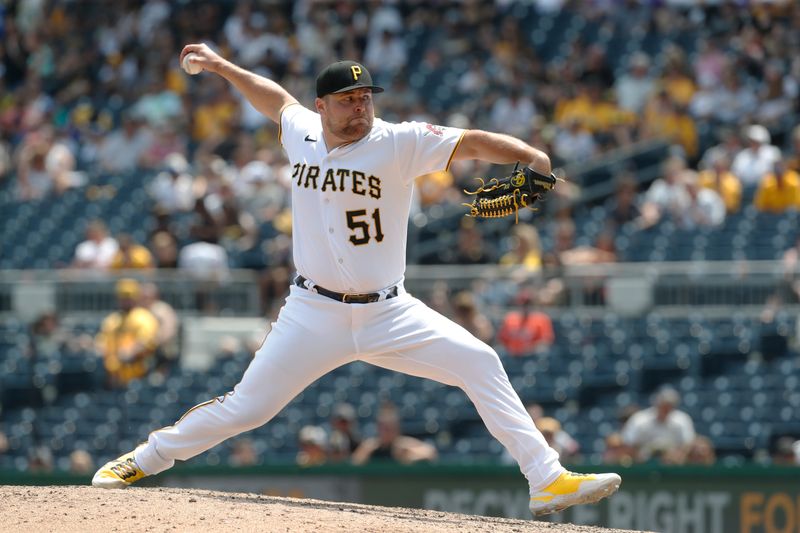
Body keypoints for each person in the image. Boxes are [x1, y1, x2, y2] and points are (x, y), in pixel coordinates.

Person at [93, 46, 620, 516]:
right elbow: (274, 100)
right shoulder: (300, 130)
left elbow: (474, 141)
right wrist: (222, 67)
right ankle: (141, 460)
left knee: (479, 361)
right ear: (321, 106)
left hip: (390, 312)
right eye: (347, 99)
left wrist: (530, 156)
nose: (361, 106)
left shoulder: (399, 142)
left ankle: (546, 479)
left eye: (365, 96)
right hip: (312, 312)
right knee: (246, 409)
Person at [95, 279, 160, 388]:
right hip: (112, 376)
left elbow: (147, 342)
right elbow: (101, 342)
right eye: (123, 296)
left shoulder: (144, 317)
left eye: (129, 296)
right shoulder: (112, 320)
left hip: (138, 376)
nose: (125, 300)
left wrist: (129, 352)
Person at [621, 386, 696, 462]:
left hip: (673, 464)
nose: (665, 409)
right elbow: (628, 442)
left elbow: (688, 444)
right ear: (656, 403)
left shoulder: (682, 420)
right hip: (642, 463)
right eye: (663, 405)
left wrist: (676, 454)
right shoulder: (640, 419)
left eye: (669, 405)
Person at [351, 403, 437, 465]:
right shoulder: (371, 446)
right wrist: (367, 453)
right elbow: (355, 463)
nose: (386, 431)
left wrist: (409, 456)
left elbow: (431, 453)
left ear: (396, 428)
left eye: (389, 428)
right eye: (383, 427)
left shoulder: (404, 445)